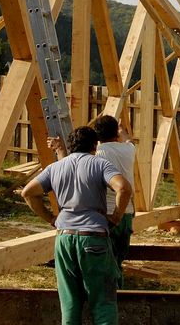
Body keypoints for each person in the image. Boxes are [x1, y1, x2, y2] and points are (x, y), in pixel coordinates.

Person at [22, 126, 132, 325]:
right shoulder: (100, 164)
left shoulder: (55, 167)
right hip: (93, 237)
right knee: (102, 301)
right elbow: (123, 188)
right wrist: (116, 217)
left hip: (64, 237)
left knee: (70, 302)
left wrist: (51, 218)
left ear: (71, 146)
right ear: (95, 145)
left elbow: (28, 193)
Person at [91, 114, 136, 277]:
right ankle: (117, 285)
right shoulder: (129, 150)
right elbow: (128, 140)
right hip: (126, 212)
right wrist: (122, 130)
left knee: (103, 261)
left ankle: (108, 288)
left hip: (105, 214)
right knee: (118, 259)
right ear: (116, 133)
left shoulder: (97, 153)